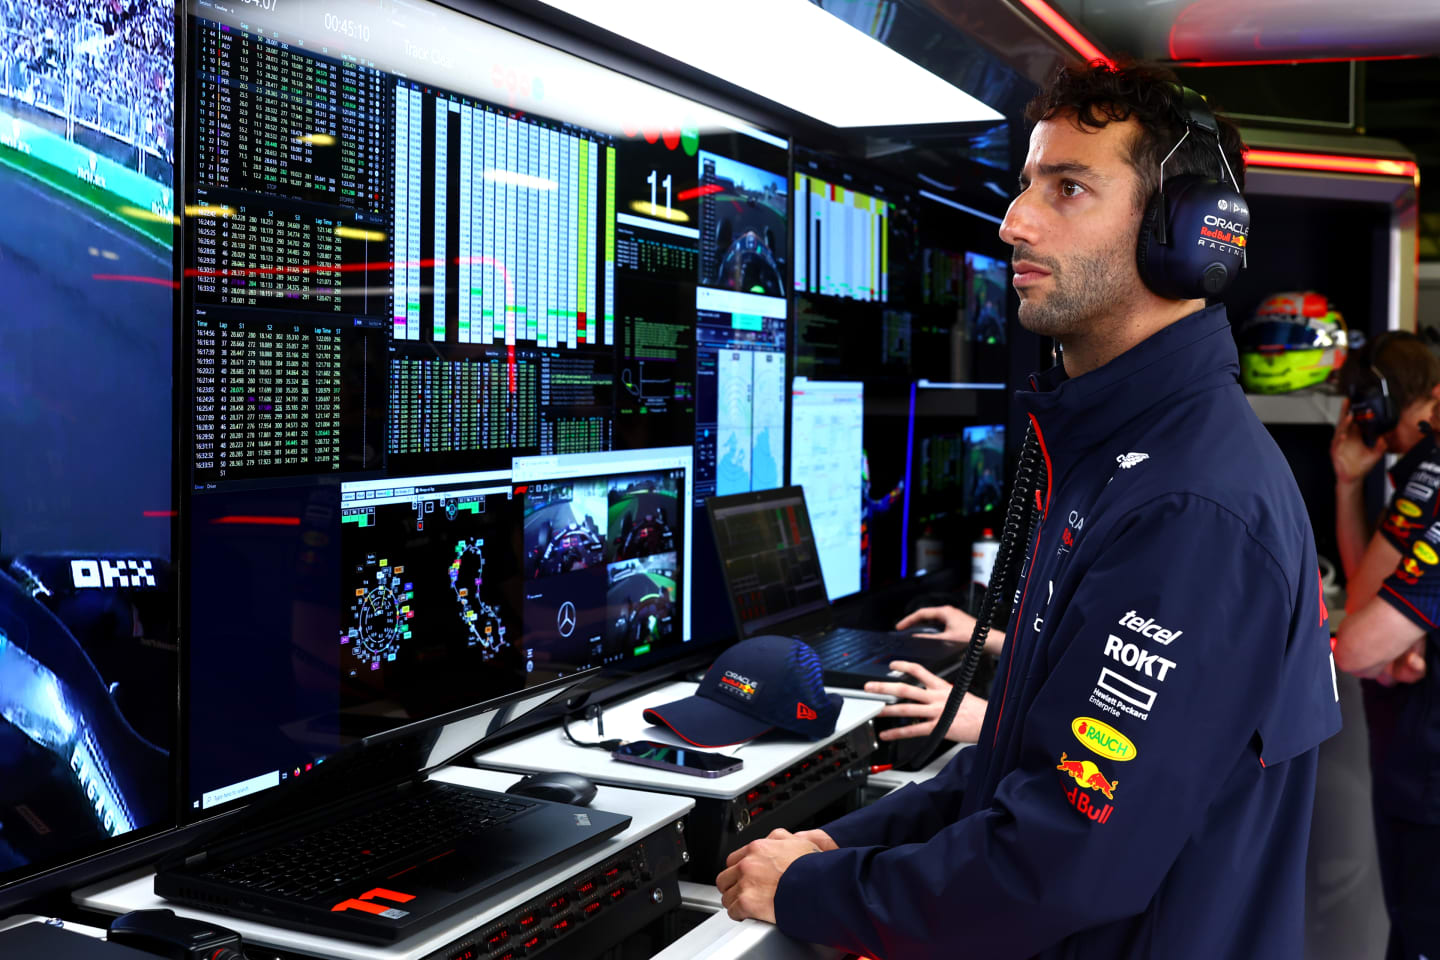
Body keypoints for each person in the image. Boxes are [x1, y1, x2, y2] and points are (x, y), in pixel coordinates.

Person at [715, 59, 1341, 959]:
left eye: (1070, 188)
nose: (1015, 222)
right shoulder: (1116, 459)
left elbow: (1065, 858)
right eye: (1024, 186)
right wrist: (841, 844)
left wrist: (818, 889)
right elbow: (1027, 759)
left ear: (1187, 235)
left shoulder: (1192, 510)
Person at [1332, 332, 1440, 960]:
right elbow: (1369, 593)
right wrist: (1350, 487)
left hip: (1424, 768)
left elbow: (1360, 625)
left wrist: (1381, 640)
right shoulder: (1420, 465)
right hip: (1408, 753)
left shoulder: (1430, 466)